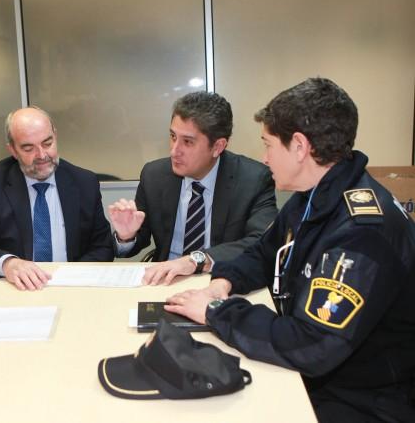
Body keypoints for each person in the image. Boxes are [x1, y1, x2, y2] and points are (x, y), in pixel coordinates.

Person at [165, 78, 415, 421]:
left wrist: (217, 311)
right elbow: (264, 253)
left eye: (268, 145)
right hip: (320, 374)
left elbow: (312, 344)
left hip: (363, 398)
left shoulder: (363, 231)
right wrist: (223, 282)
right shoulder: (312, 196)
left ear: (299, 146)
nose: (264, 158)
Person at [108, 92, 277, 285]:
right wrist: (126, 236)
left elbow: (263, 241)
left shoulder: (253, 179)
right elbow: (137, 243)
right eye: (173, 136)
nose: (174, 151)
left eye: (187, 142)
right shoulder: (154, 175)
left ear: (218, 147)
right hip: (165, 281)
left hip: (221, 279)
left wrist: (196, 260)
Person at [0, 106, 114, 291]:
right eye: (28, 148)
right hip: (13, 289)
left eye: (47, 143)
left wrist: (73, 277)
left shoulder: (84, 182)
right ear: (13, 150)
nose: (42, 155)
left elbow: (102, 247)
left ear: (55, 136)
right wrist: (8, 264)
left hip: (70, 288)